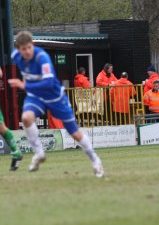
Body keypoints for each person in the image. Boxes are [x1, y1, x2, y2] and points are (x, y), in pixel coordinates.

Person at [8, 31, 104, 177]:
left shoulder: (42, 58)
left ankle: (96, 161)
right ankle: (39, 153)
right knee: (26, 118)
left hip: (55, 97)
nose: (27, 51)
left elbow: (47, 83)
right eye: (23, 49)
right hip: (36, 97)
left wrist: (24, 85)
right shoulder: (15, 56)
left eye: (29, 47)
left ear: (32, 45)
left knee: (74, 133)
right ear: (18, 49)